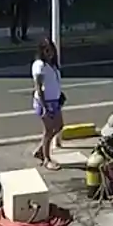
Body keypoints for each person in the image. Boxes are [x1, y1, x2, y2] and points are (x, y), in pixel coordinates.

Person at [30, 38, 64, 171]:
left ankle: (41, 149)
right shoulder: (40, 65)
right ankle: (47, 159)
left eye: (51, 50)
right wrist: (44, 107)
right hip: (45, 102)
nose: (50, 53)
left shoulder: (52, 65)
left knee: (59, 125)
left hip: (54, 101)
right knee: (49, 130)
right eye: (47, 50)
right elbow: (39, 87)